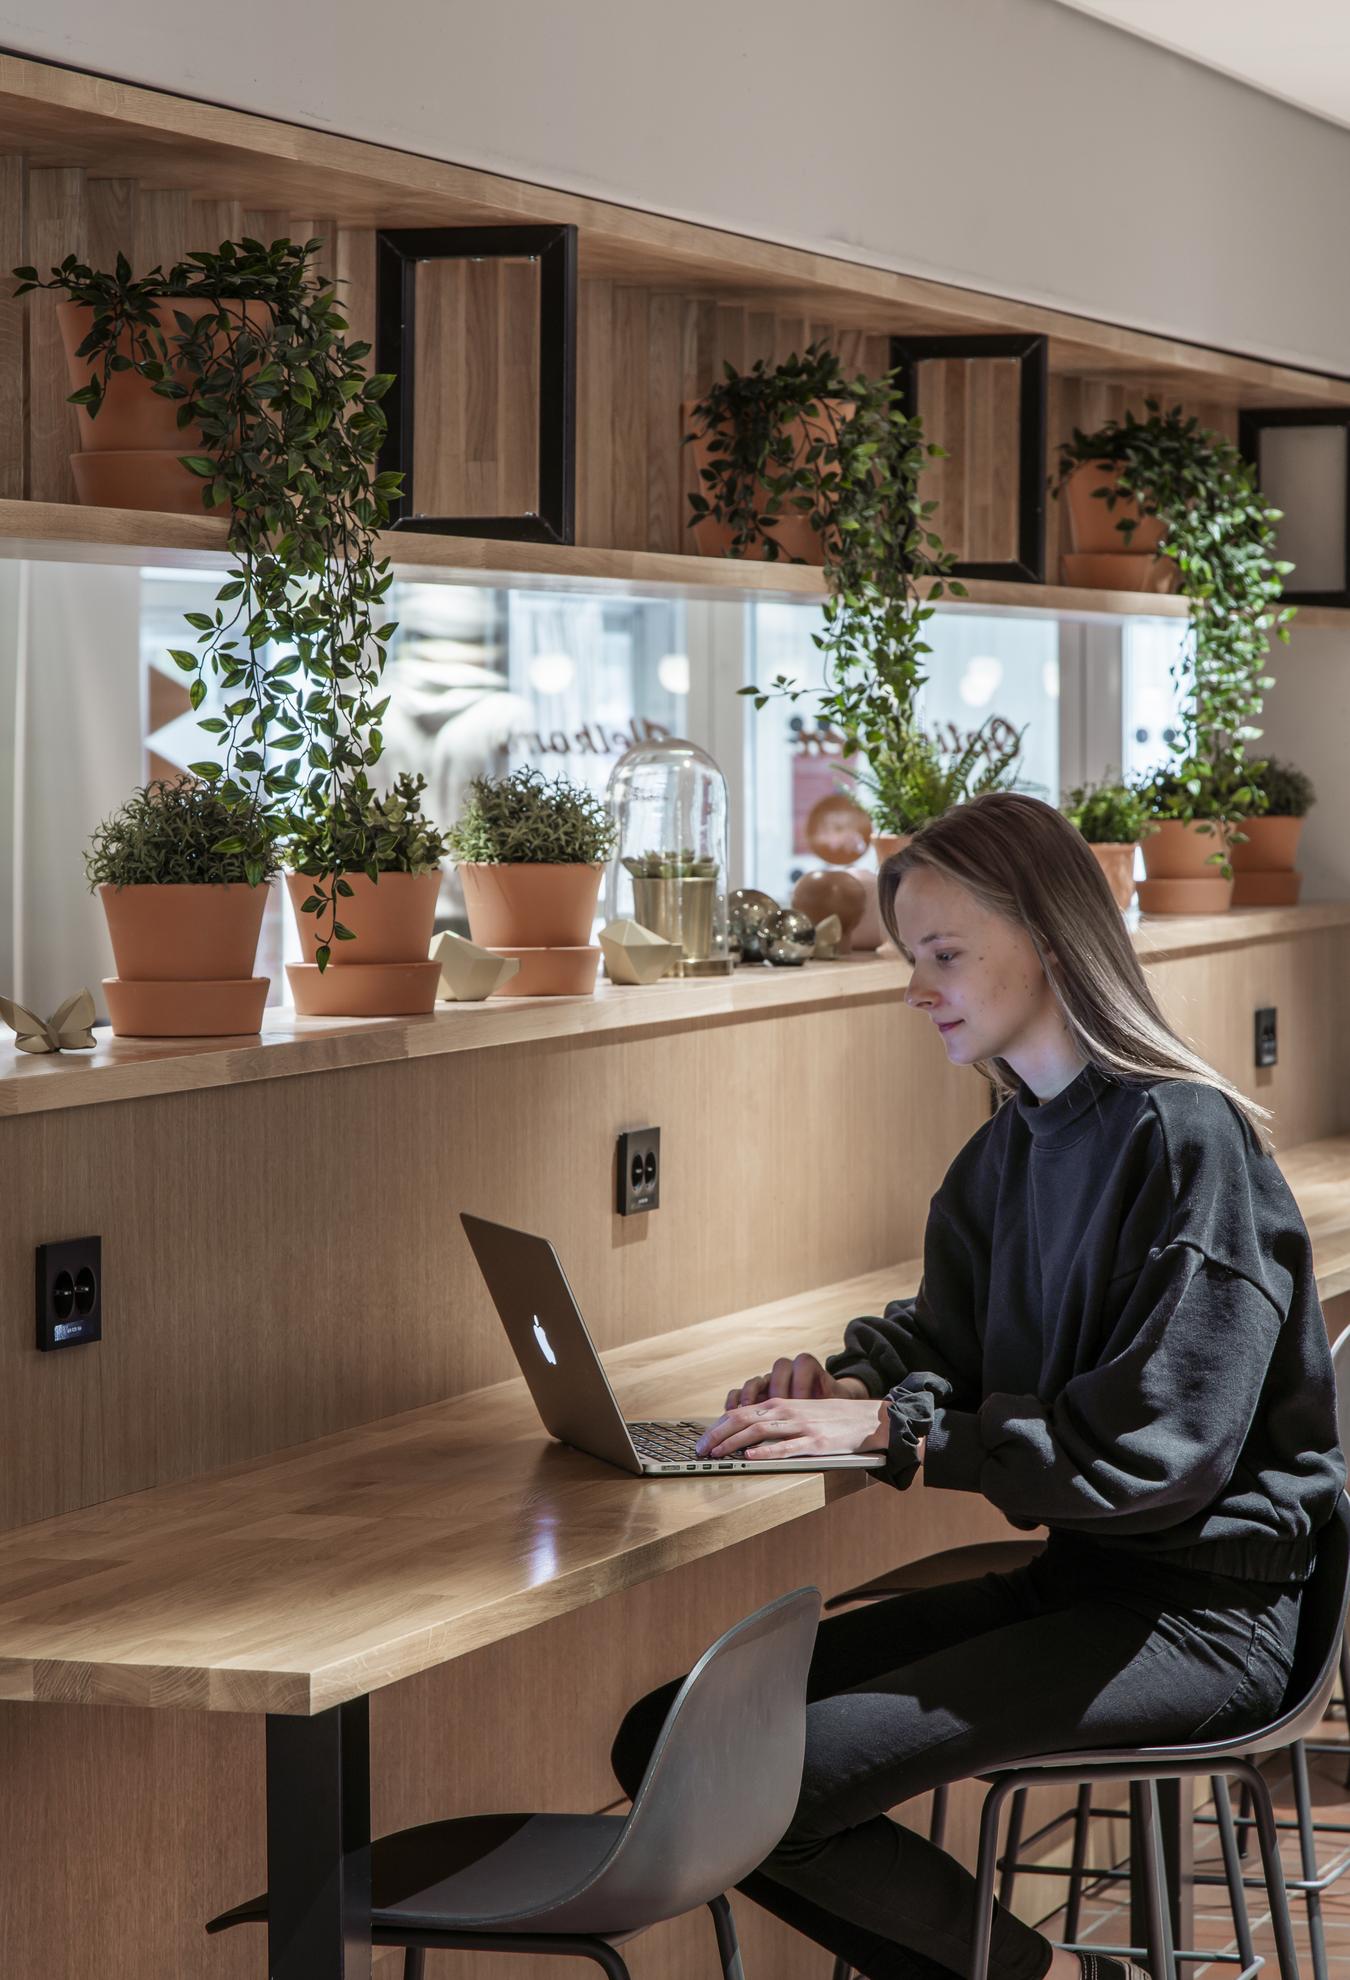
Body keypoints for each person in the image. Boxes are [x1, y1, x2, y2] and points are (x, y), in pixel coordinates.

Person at [611, 791, 1344, 1980]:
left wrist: (903, 1434)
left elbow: (1161, 1454)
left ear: (1052, 939)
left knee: (765, 1791)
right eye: (914, 956)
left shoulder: (1189, 1142)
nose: (916, 988)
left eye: (946, 954)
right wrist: (843, 1383)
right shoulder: (1008, 1149)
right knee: (668, 1743)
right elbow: (942, 1337)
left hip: (1205, 1619)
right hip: (1084, 1583)